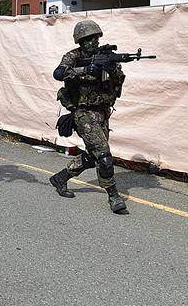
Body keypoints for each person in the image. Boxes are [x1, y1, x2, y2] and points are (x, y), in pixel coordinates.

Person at [50, 19, 129, 214]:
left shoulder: (106, 57)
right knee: (104, 156)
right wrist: (84, 70)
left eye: (96, 37)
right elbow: (58, 73)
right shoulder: (73, 56)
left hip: (102, 111)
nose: (95, 42)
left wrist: (113, 73)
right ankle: (114, 196)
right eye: (90, 39)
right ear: (81, 41)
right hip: (83, 113)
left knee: (94, 155)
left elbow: (117, 82)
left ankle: (60, 178)